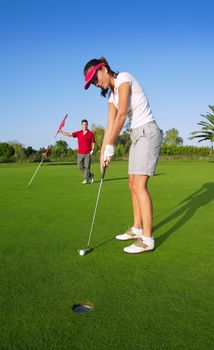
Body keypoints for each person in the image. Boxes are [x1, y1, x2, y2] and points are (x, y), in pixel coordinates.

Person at [83, 57, 163, 254]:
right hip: (136, 135)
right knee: (131, 183)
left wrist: (111, 144)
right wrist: (103, 152)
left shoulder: (124, 79)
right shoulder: (111, 96)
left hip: (148, 131)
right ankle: (137, 228)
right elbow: (110, 122)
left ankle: (147, 238)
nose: (95, 83)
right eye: (91, 82)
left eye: (95, 77)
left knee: (139, 185)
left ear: (104, 68)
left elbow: (122, 115)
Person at [60, 119, 95, 184]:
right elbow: (70, 134)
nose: (85, 125)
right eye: (83, 124)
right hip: (80, 153)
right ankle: (91, 175)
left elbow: (93, 142)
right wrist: (62, 132)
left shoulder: (91, 134)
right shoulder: (79, 133)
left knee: (87, 167)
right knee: (80, 166)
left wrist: (92, 150)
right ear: (81, 125)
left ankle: (86, 179)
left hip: (88, 153)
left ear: (87, 125)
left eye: (86, 124)